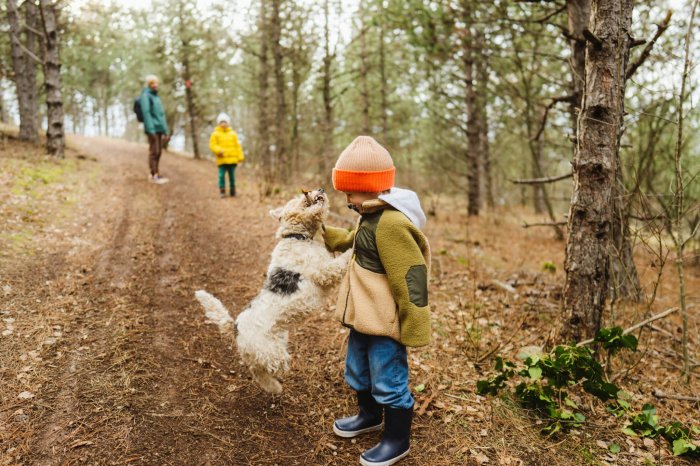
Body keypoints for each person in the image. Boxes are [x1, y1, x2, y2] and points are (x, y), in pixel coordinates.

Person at [322, 136, 431, 466]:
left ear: (369, 187)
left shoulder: (391, 223)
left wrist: (415, 324)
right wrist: (322, 232)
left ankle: (397, 440)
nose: (346, 197)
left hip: (384, 322)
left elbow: (411, 276)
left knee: (388, 378)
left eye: (350, 190)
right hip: (363, 317)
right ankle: (369, 416)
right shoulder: (369, 214)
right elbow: (353, 241)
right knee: (358, 370)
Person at [140, 75, 169, 184]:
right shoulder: (146, 96)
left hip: (159, 128)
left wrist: (165, 130)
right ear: (149, 84)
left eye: (156, 83)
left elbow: (161, 115)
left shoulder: (156, 97)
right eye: (153, 83)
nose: (155, 85)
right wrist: (150, 129)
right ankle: (153, 174)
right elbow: (146, 113)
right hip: (152, 128)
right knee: (154, 151)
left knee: (159, 152)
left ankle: (156, 173)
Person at [208, 112, 244, 197]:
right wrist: (218, 150)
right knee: (221, 176)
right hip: (222, 159)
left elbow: (237, 146)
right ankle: (222, 191)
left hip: (232, 159)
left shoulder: (233, 134)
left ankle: (233, 190)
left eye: (225, 122)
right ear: (218, 123)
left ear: (228, 123)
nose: (223, 124)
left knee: (232, 176)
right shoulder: (215, 134)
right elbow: (212, 145)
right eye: (221, 122)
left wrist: (240, 157)